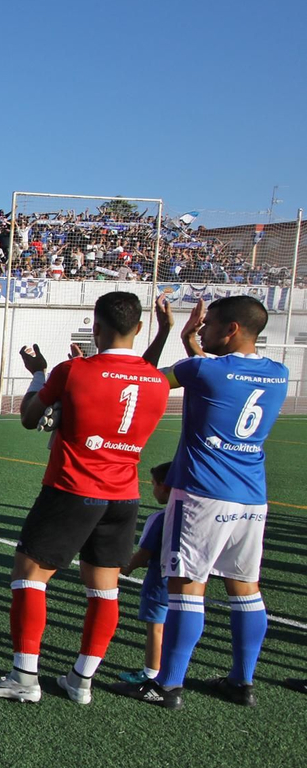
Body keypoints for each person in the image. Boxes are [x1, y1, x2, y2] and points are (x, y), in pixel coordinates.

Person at [0, 293, 172, 705]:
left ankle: (25, 677)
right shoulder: (157, 380)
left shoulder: (74, 370)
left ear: (96, 327)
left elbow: (29, 417)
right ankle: (82, 679)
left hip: (73, 489)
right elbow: (139, 374)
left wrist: (41, 375)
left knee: (29, 576)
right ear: (138, 329)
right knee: (104, 590)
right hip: (124, 496)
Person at [110, 297, 288, 709]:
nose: (203, 332)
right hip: (251, 498)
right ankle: (241, 682)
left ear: (231, 330)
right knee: (245, 590)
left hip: (203, 494)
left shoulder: (203, 368)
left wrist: (172, 330)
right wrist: (196, 342)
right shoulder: (280, 374)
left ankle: (168, 685)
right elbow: (218, 376)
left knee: (187, 589)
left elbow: (149, 379)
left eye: (209, 326)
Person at [114, 462, 173, 685]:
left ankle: (150, 673)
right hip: (189, 584)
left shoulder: (159, 518)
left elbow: (144, 553)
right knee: (174, 627)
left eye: (154, 485)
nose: (153, 489)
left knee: (156, 630)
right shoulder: (196, 515)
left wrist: (127, 568)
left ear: (164, 487)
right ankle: (173, 670)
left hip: (159, 584)